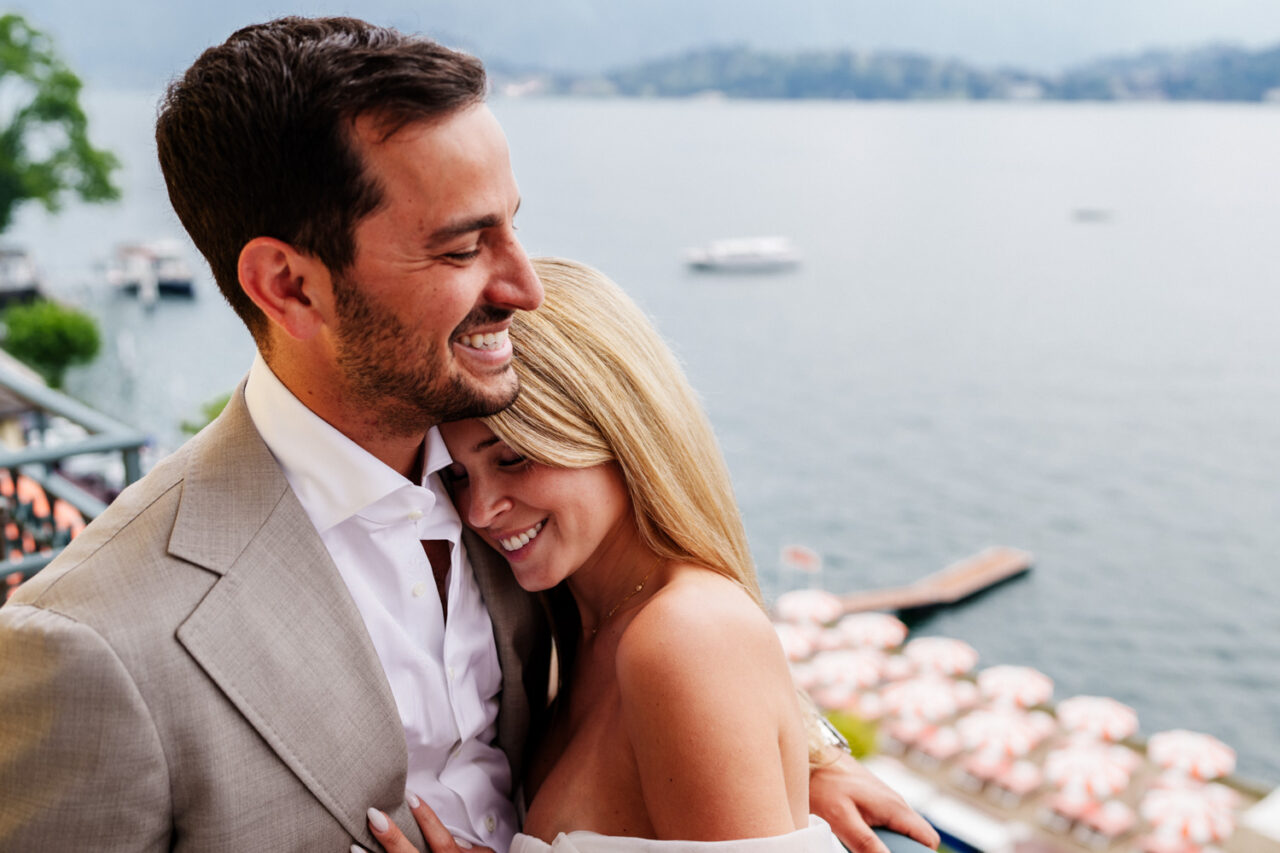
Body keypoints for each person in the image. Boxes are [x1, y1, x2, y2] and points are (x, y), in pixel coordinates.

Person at [0, 16, 937, 853]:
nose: (523, 287)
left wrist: (800, 760)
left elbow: (671, 623)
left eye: (512, 228)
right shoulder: (92, 645)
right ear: (289, 286)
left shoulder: (514, 491)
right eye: (460, 247)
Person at [367, 259, 933, 853]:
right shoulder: (570, 628)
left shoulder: (685, 637)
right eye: (455, 475)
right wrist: (816, 757)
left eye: (512, 458)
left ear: (615, 431)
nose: (478, 511)